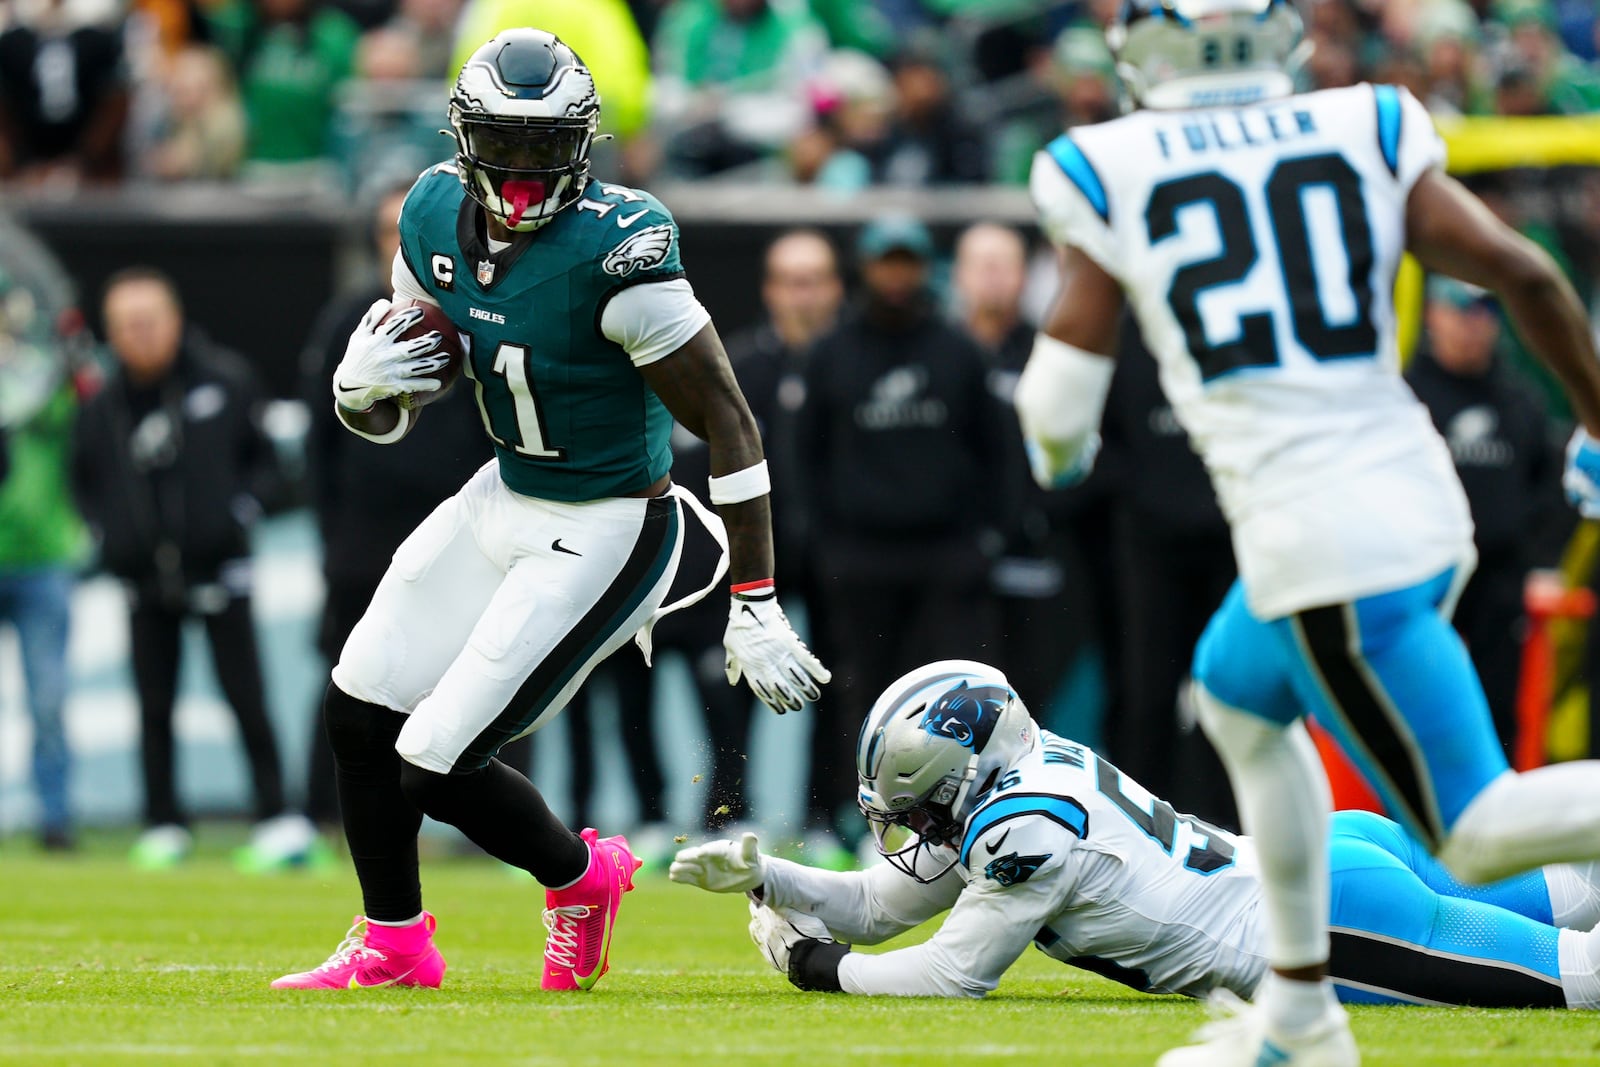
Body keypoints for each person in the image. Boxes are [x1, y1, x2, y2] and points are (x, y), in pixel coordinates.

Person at [1013, 1, 1600, 1063]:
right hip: (1398, 489)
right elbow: (1526, 273)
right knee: (1235, 693)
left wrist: (1053, 451)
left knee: (1470, 825)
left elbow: (1056, 415)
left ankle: (1300, 1020)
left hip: (1329, 540)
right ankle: (1298, 1010)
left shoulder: (1104, 162)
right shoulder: (1358, 122)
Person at [271, 29, 828, 994]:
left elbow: (730, 420)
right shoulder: (432, 209)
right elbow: (422, 378)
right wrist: (366, 397)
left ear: (579, 142)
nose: (523, 167)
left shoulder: (621, 247)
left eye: (543, 144)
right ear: (464, 136)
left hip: (610, 524)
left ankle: (580, 877)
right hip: (505, 490)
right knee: (357, 709)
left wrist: (757, 595)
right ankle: (394, 942)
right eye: (505, 140)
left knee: (436, 763)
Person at [669, 661, 1600, 1012]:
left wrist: (815, 969)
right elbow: (880, 903)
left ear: (965, 773)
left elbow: (954, 972)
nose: (913, 826)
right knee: (1574, 897)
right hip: (1331, 864)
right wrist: (772, 880)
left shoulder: (1021, 827)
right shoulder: (1023, 771)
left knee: (1579, 979)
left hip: (1317, 923)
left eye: (918, 802)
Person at [71, 267, 314, 870]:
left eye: (149, 320)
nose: (140, 334)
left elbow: (273, 466)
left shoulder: (226, 381)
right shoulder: (102, 406)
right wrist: (109, 534)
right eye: (127, 325)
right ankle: (163, 823)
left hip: (221, 569)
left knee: (246, 698)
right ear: (111, 332)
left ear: (175, 321)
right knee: (154, 705)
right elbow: (83, 479)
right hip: (143, 577)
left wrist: (239, 513)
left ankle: (277, 819)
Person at [793, 214, 1008, 860]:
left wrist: (986, 540)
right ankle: (858, 816)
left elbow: (998, 451)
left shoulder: (958, 348)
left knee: (945, 695)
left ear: (922, 268)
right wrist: (823, 544)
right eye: (885, 262)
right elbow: (806, 456)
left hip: (944, 556)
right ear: (866, 268)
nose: (895, 276)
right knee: (859, 693)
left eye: (906, 263)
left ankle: (948, 817)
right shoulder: (832, 352)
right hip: (860, 556)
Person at [299, 179, 491, 828]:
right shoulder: (346, 321)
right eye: (386, 232)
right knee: (352, 678)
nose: (397, 244)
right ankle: (324, 816)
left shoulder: (480, 316)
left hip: (466, 537)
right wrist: (333, 537)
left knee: (491, 677)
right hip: (366, 542)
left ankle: (491, 823)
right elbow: (320, 443)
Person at [1406, 276, 1563, 752]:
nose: (1473, 325)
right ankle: (1408, 822)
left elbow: (1551, 484)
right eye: (1460, 310)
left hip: (1499, 576)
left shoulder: (1519, 400)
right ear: (1432, 314)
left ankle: (1501, 820)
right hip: (1424, 575)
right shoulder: (1407, 397)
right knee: (1419, 711)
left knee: (1499, 712)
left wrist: (1539, 559)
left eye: (1486, 312)